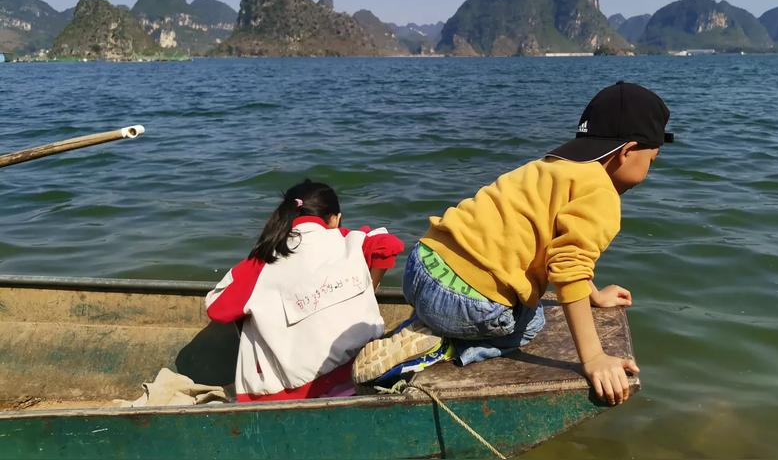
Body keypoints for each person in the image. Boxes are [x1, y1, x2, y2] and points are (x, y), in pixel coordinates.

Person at [352, 81, 673, 406]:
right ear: (627, 152)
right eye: (652, 160)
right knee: (532, 320)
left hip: (420, 268)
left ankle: (426, 322)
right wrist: (593, 358)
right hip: (462, 303)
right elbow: (569, 267)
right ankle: (444, 346)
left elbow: (557, 248)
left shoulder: (549, 168)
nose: (649, 170)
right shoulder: (602, 194)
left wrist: (593, 295)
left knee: (519, 297)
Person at [205, 179, 403, 402]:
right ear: (335, 218)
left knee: (253, 310)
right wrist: (370, 288)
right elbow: (387, 246)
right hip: (359, 373)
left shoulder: (262, 261)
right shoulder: (350, 240)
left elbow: (216, 308)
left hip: (284, 394)